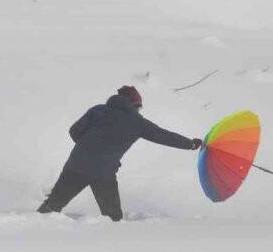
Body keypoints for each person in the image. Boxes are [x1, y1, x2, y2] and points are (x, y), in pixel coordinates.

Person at [37, 86, 202, 221]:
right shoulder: (137, 122)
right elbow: (164, 136)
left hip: (76, 165)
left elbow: (74, 131)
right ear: (134, 104)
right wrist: (190, 144)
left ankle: (33, 230)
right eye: (139, 107)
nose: (139, 110)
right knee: (112, 218)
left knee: (51, 206)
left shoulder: (97, 111)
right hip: (103, 172)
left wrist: (88, 147)